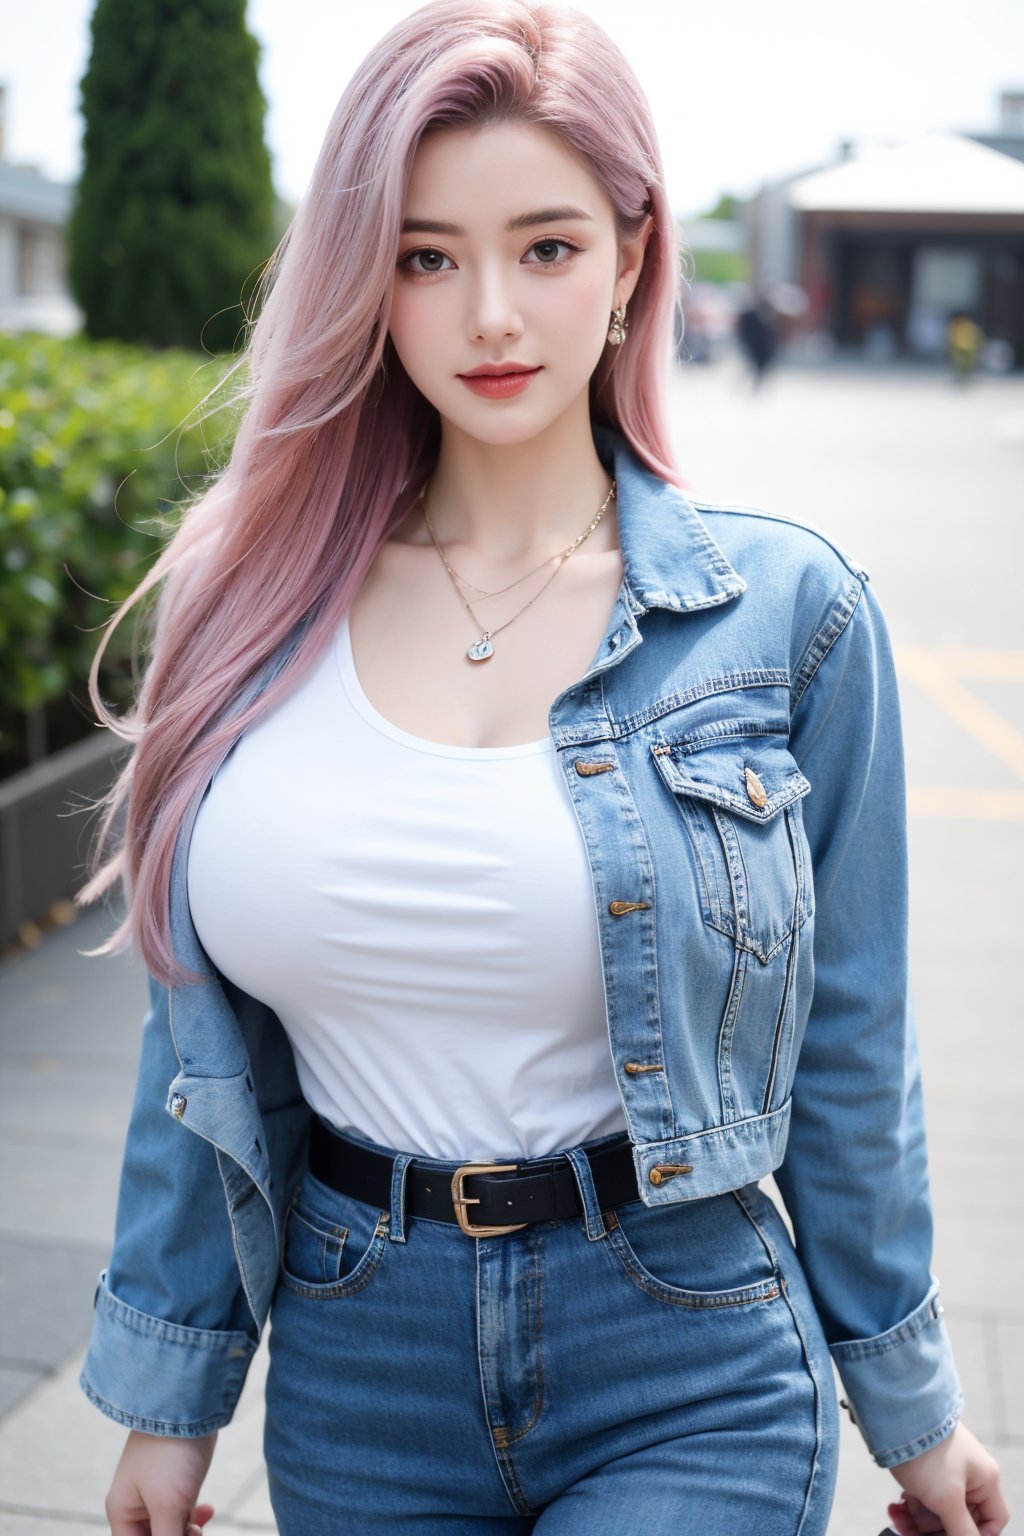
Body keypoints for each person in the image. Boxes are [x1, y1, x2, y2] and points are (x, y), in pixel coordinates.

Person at [77, 4, 1008, 1534]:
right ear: (363, 274)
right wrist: (171, 1402)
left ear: (637, 255)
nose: (490, 313)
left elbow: (851, 1046)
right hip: (353, 1357)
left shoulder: (787, 621)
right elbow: (198, 1056)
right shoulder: (242, 605)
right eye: (426, 255)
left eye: (549, 248)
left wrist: (912, 1405)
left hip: (681, 1348)